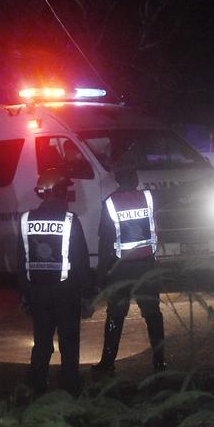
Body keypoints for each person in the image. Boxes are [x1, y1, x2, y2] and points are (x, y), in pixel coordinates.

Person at [17, 168, 93, 394]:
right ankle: (71, 385)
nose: (67, 195)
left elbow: (21, 262)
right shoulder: (70, 220)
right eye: (65, 190)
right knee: (69, 341)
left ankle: (38, 385)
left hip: (38, 293)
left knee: (41, 342)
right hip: (66, 293)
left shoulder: (25, 219)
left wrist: (24, 295)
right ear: (57, 191)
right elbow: (81, 261)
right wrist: (88, 293)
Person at [92, 152, 165, 373]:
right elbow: (159, 225)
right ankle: (160, 363)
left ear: (117, 179)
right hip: (147, 267)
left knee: (115, 315)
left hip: (121, 270)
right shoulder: (149, 198)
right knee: (153, 314)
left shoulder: (110, 204)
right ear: (134, 178)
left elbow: (105, 244)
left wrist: (100, 276)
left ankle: (107, 364)